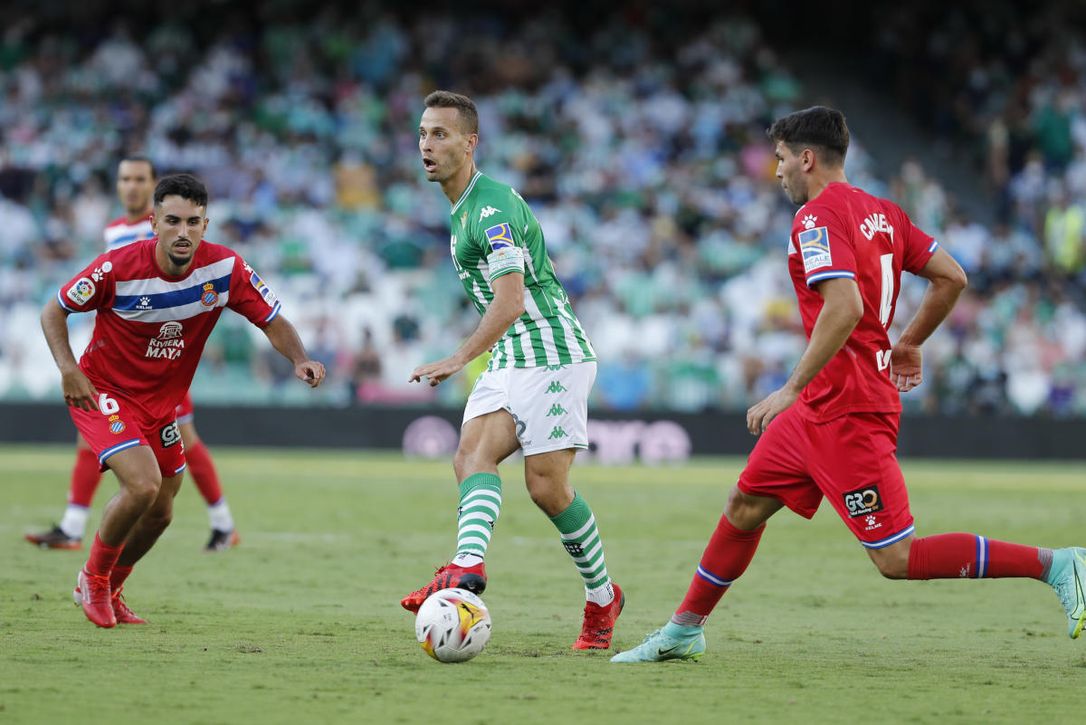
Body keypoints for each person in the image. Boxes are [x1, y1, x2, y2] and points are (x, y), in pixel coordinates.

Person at [612, 106, 1086, 663]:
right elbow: (952, 277)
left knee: (896, 558)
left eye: (782, 159)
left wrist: (789, 388)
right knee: (744, 506)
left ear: (807, 158)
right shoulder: (884, 214)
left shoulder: (815, 219)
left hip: (849, 409)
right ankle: (684, 630)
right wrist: (908, 342)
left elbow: (845, 306)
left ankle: (1058, 564)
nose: (777, 171)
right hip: (818, 409)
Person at [43, 173, 325, 628]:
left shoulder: (225, 269)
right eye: (172, 221)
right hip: (104, 392)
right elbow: (54, 310)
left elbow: (272, 320)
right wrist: (68, 369)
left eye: (193, 222)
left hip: (162, 405)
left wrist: (300, 358)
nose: (183, 231)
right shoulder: (117, 267)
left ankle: (113, 588)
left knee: (161, 512)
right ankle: (92, 579)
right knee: (142, 485)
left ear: (205, 225)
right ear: (153, 222)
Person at [400, 91, 623, 650]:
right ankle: (467, 567)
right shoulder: (462, 208)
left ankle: (603, 597)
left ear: (470, 143)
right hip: (511, 353)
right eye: (423, 133)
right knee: (470, 455)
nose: (427, 144)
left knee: (546, 488)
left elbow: (511, 301)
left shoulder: (491, 208)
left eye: (441, 134)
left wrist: (457, 358)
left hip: (552, 350)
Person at [26, 157, 241, 552]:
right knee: (90, 439)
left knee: (185, 441)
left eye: (140, 179)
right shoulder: (114, 230)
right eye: (125, 179)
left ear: (153, 186)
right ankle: (73, 525)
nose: (132, 186)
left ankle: (222, 521)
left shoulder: (171, 227)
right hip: (121, 359)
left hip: (160, 362)